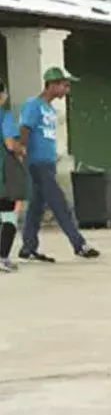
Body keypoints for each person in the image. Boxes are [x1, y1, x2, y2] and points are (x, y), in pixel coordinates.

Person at [15, 66, 99, 263]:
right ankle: (79, 245)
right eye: (64, 85)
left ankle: (28, 247)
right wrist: (22, 151)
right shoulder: (33, 105)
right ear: (52, 85)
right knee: (60, 204)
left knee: (36, 208)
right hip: (37, 163)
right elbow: (25, 128)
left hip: (48, 162)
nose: (67, 90)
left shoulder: (50, 109)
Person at [0, 80, 23, 273]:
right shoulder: (4, 116)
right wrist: (21, 150)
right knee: (10, 214)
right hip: (3, 176)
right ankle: (2, 257)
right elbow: (10, 143)